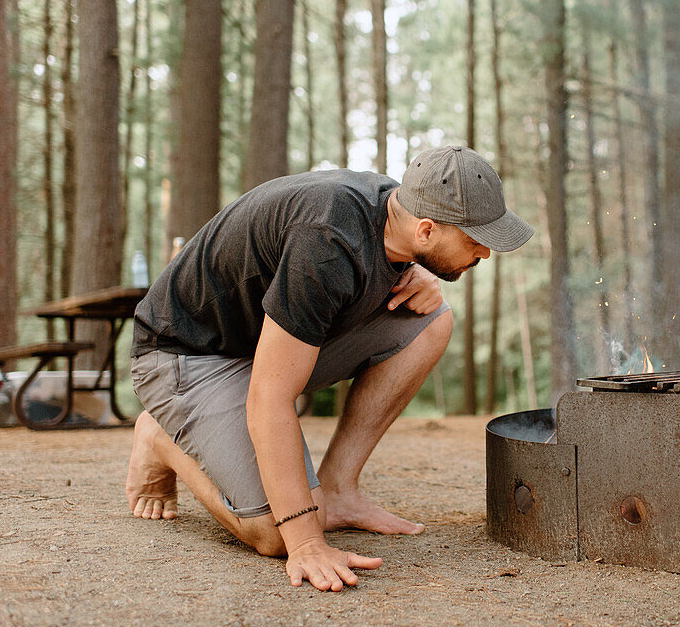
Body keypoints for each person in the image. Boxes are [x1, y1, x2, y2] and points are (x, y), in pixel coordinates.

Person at [125, 145, 533, 592]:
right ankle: (161, 437)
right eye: (475, 241)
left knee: (431, 321)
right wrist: (304, 542)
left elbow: (384, 260)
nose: (486, 254)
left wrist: (420, 268)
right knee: (278, 531)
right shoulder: (325, 243)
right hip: (187, 354)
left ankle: (338, 489)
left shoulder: (394, 214)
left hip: (260, 346)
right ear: (426, 230)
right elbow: (270, 399)